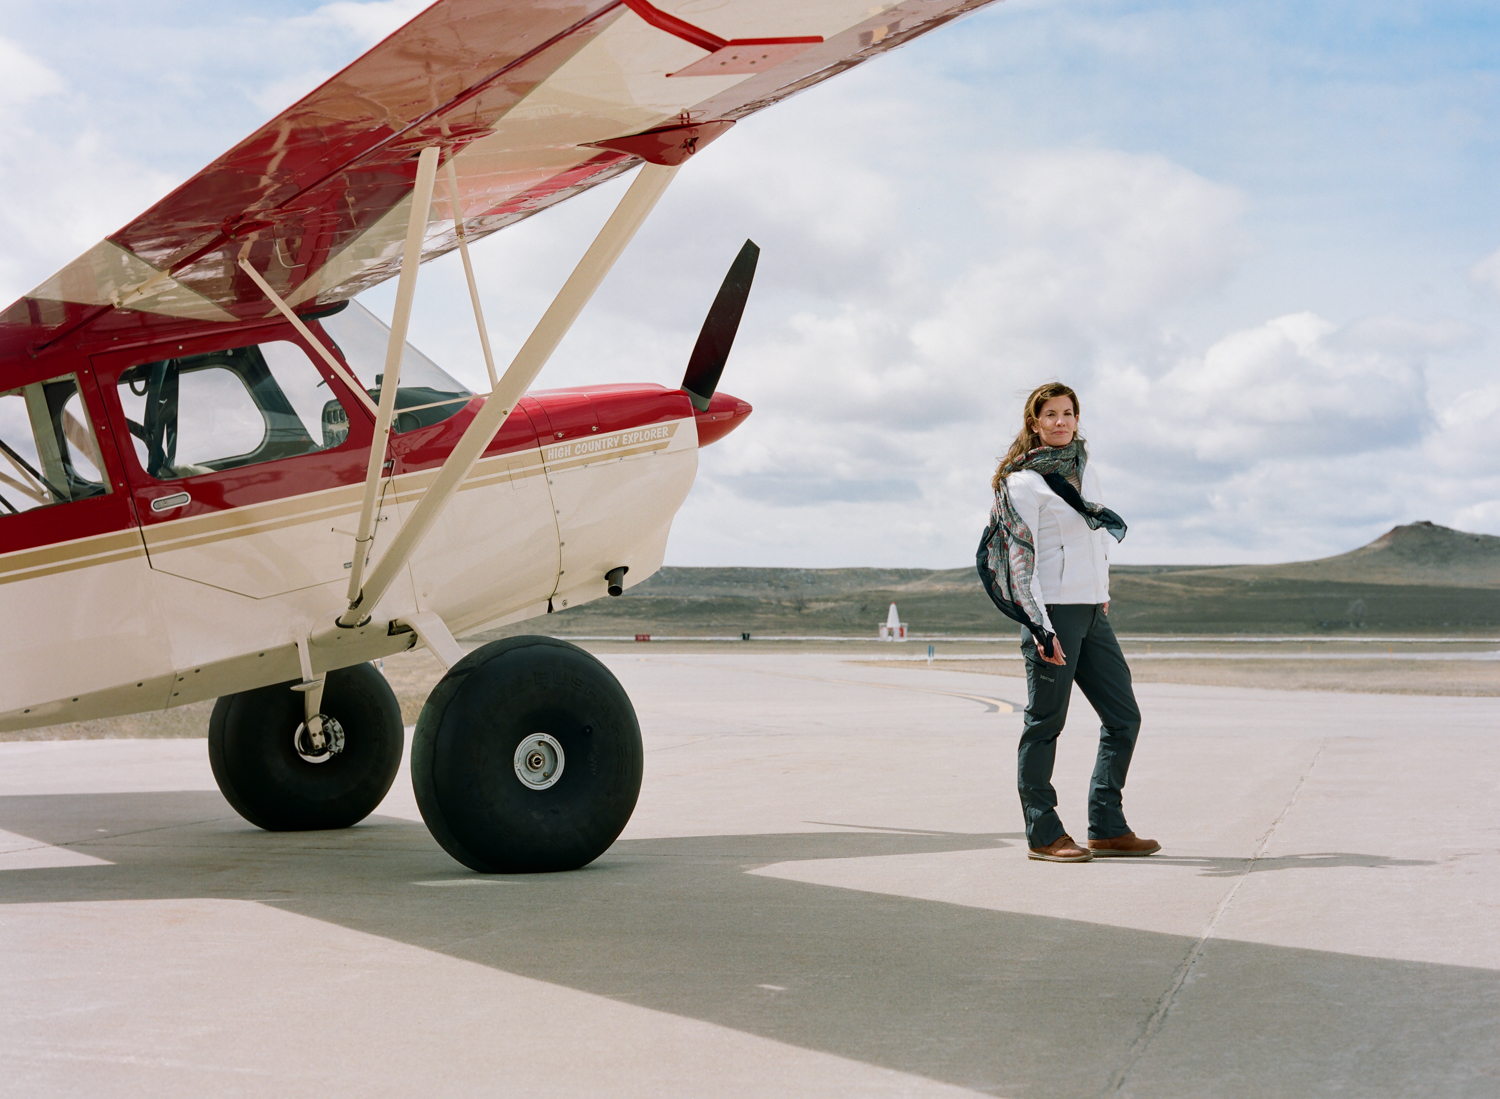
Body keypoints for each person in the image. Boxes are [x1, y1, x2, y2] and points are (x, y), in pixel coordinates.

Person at [976, 382, 1159, 863]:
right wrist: (1040, 627)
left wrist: (1103, 592)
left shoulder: (1085, 470)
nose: (1060, 422)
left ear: (1078, 419)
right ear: (1034, 423)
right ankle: (1044, 833)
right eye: (1050, 414)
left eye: (1068, 413)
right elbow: (1021, 560)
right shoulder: (1022, 483)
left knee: (1124, 719)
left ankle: (1107, 825)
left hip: (1092, 611)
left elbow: (1094, 539)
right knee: (1045, 725)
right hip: (1052, 614)